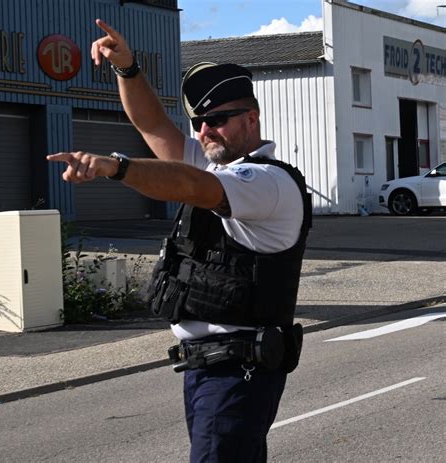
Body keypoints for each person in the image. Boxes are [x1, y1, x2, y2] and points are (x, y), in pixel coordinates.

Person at [47, 19, 311, 463]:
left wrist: (115, 167)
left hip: (238, 371)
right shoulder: (219, 165)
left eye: (217, 120)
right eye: (200, 122)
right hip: (207, 368)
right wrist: (127, 69)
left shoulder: (265, 181)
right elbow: (155, 128)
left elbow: (192, 187)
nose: (204, 131)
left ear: (251, 118)